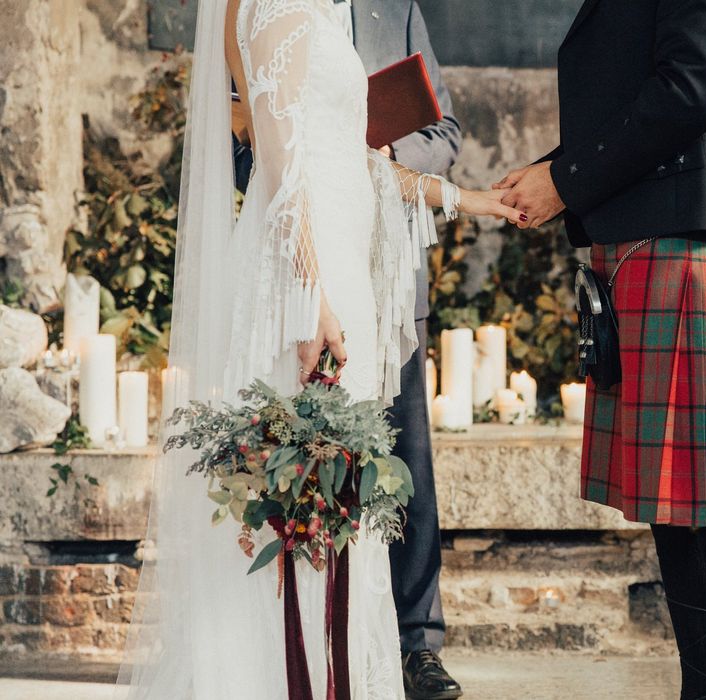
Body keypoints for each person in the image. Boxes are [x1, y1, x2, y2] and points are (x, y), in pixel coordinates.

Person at [117, 1, 524, 698]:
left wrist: (469, 200)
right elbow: (280, 170)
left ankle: (343, 675)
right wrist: (311, 302)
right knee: (302, 500)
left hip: (342, 278)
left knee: (342, 506)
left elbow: (354, 163)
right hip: (304, 284)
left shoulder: (317, 12)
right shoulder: (272, 7)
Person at [495, 1, 706, 696]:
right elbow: (640, 84)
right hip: (651, 237)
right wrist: (558, 172)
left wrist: (564, 181)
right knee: (679, 509)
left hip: (681, 241)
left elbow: (692, 85)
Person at [233, 1, 463, 696]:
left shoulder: (398, 9)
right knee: (313, 467)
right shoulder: (271, 12)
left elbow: (444, 129)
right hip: (314, 266)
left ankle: (416, 642)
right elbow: (262, 140)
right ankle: (308, 654)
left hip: (385, 281)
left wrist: (390, 156)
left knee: (405, 466)